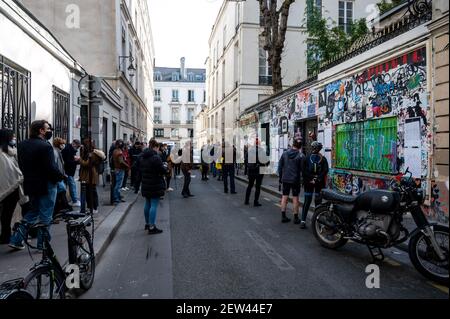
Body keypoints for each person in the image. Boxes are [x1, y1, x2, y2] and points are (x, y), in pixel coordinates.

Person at [9, 120, 63, 250]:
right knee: (46, 215)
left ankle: (16, 239)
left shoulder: (22, 145)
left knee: (33, 212)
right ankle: (43, 244)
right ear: (41, 130)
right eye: (48, 128)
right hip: (46, 184)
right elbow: (50, 167)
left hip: (30, 184)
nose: (50, 130)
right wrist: (61, 177)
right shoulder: (46, 146)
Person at [0, 129, 28, 244]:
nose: (14, 139)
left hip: (16, 187)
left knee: (9, 213)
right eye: (13, 137)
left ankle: (9, 235)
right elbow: (6, 172)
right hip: (10, 187)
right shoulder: (2, 154)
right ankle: (7, 235)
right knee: (7, 214)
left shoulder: (11, 152)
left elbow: (13, 170)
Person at [139, 139, 168, 234]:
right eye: (158, 148)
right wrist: (165, 167)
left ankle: (147, 224)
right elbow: (162, 170)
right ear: (155, 147)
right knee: (154, 205)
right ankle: (152, 227)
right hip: (155, 183)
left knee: (147, 203)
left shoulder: (143, 156)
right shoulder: (155, 158)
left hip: (146, 183)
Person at [301, 141, 329, 229]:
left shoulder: (320, 158)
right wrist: (315, 178)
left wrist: (314, 179)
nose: (316, 149)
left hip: (314, 182)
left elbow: (325, 170)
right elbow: (303, 170)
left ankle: (313, 220)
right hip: (314, 182)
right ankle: (305, 221)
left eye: (317, 148)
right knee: (310, 201)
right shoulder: (307, 158)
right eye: (316, 148)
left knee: (315, 202)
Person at [278, 138, 304, 224]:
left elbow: (280, 167)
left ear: (292, 145)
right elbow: (302, 169)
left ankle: (283, 216)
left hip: (285, 178)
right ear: (300, 147)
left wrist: (280, 178)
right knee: (295, 197)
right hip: (295, 180)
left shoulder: (284, 154)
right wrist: (302, 180)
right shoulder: (301, 156)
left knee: (284, 196)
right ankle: (296, 218)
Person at [79, 139, 106, 214]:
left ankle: (94, 207)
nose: (82, 146)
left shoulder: (92, 154)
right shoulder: (89, 152)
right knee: (88, 192)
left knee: (92, 192)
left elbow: (87, 164)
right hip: (88, 174)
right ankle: (90, 207)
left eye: (84, 145)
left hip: (90, 174)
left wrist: (79, 159)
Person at [244, 138, 268, 207]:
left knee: (250, 185)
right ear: (259, 144)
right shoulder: (262, 151)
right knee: (258, 187)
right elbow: (265, 161)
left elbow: (245, 161)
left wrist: (249, 167)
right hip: (259, 171)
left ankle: (246, 200)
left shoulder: (250, 150)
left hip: (251, 171)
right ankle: (255, 202)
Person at [52, 137, 72, 218]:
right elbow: (56, 166)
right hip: (58, 177)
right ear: (58, 144)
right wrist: (61, 175)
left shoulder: (58, 152)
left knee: (60, 193)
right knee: (61, 192)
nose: (64, 145)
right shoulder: (55, 152)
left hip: (61, 176)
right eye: (62, 144)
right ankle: (62, 210)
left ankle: (61, 210)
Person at [61, 139, 81, 207]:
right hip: (68, 171)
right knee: (71, 185)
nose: (77, 148)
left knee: (70, 185)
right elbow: (67, 162)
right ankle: (74, 200)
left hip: (69, 171)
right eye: (77, 147)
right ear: (74, 144)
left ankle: (72, 200)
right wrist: (76, 161)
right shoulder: (68, 149)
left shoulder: (70, 149)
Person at [112, 140, 129, 205]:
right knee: (118, 185)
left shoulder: (115, 151)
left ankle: (118, 197)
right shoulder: (119, 152)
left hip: (117, 168)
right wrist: (127, 166)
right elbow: (121, 161)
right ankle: (116, 198)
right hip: (120, 169)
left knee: (117, 184)